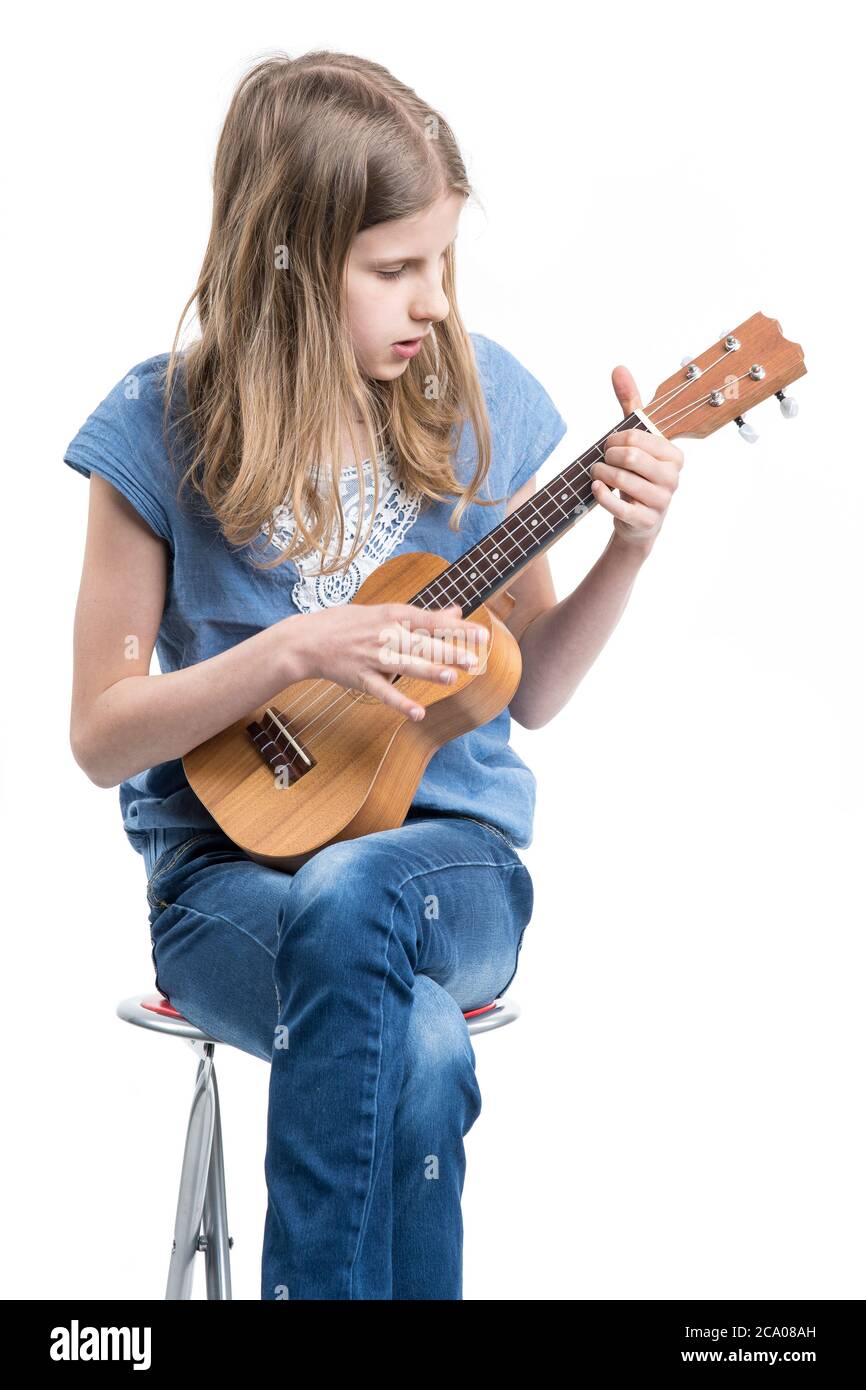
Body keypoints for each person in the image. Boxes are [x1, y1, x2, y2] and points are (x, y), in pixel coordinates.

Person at [64, 50, 683, 1300]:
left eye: (442, 263)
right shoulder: (153, 428)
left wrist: (626, 548)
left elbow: (537, 688)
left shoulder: (478, 404)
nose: (435, 304)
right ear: (287, 260)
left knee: (359, 886)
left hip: (446, 872)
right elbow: (102, 735)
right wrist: (298, 645)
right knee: (412, 1047)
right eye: (396, 270)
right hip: (224, 890)